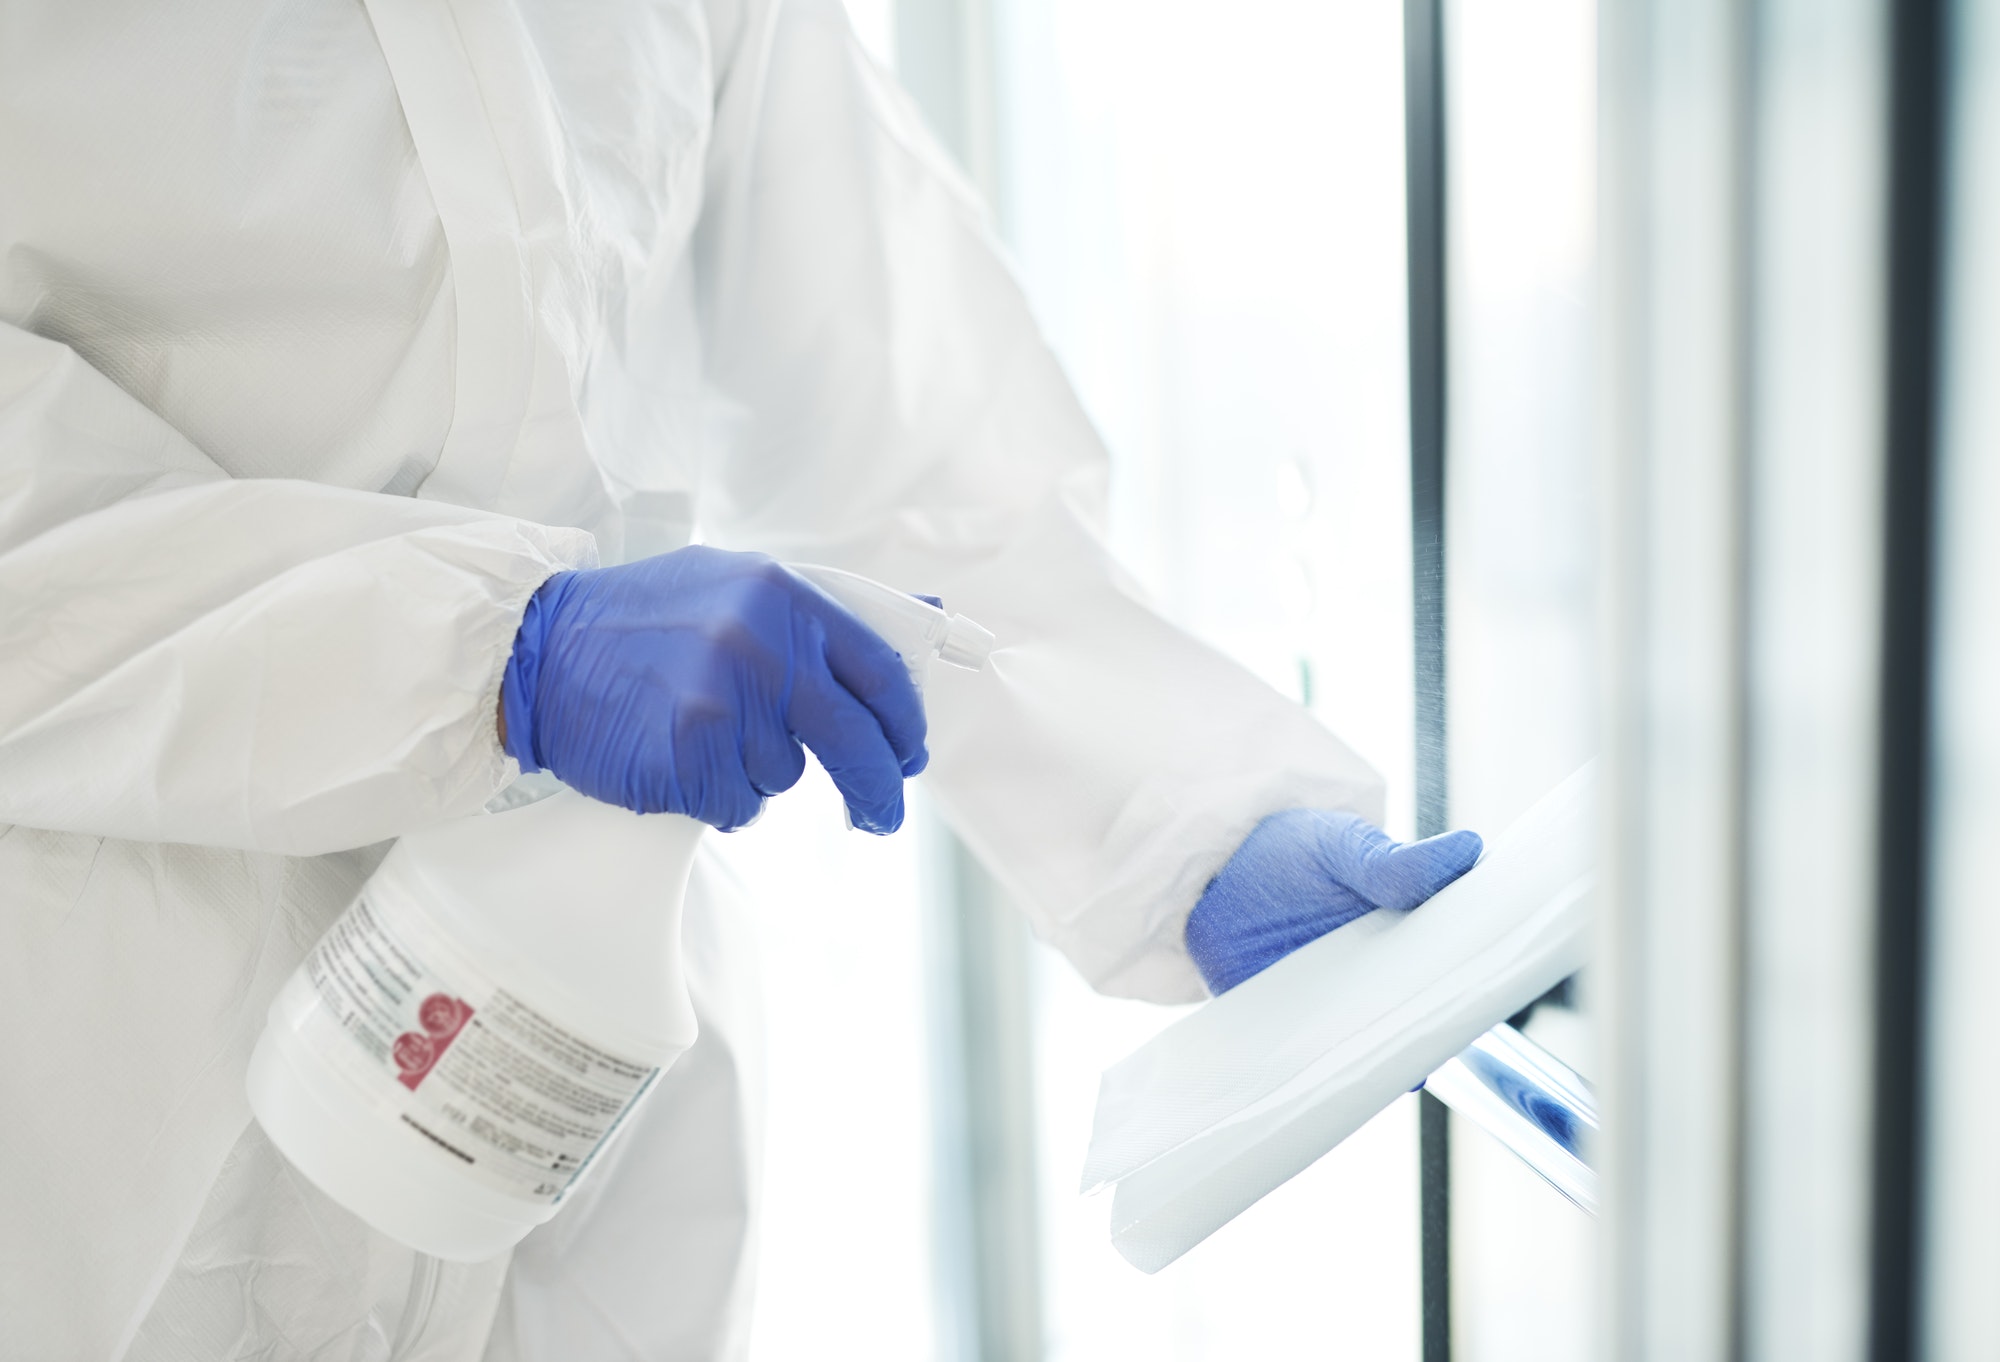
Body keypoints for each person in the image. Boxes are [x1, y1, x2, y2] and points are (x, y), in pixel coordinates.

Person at [0, 1, 1480, 1357]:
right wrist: (487, 650)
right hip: (107, 1095)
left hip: (569, 1139)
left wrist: (1193, 820)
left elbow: (906, 431)